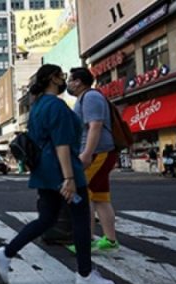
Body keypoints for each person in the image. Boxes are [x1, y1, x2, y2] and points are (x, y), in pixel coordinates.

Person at [0, 64, 115, 284]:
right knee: (80, 219)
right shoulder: (56, 106)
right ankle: (85, 274)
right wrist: (69, 178)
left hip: (44, 171)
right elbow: (62, 144)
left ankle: (6, 252)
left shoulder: (37, 105)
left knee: (46, 219)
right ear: (53, 79)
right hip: (62, 170)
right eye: (62, 76)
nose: (65, 80)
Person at [67, 67, 119, 253]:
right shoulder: (86, 98)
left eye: (70, 80)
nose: (68, 84)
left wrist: (87, 154)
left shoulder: (90, 97)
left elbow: (95, 126)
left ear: (78, 81)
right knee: (100, 197)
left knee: (82, 195)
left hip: (97, 152)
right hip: (99, 152)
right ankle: (110, 242)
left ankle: (85, 241)